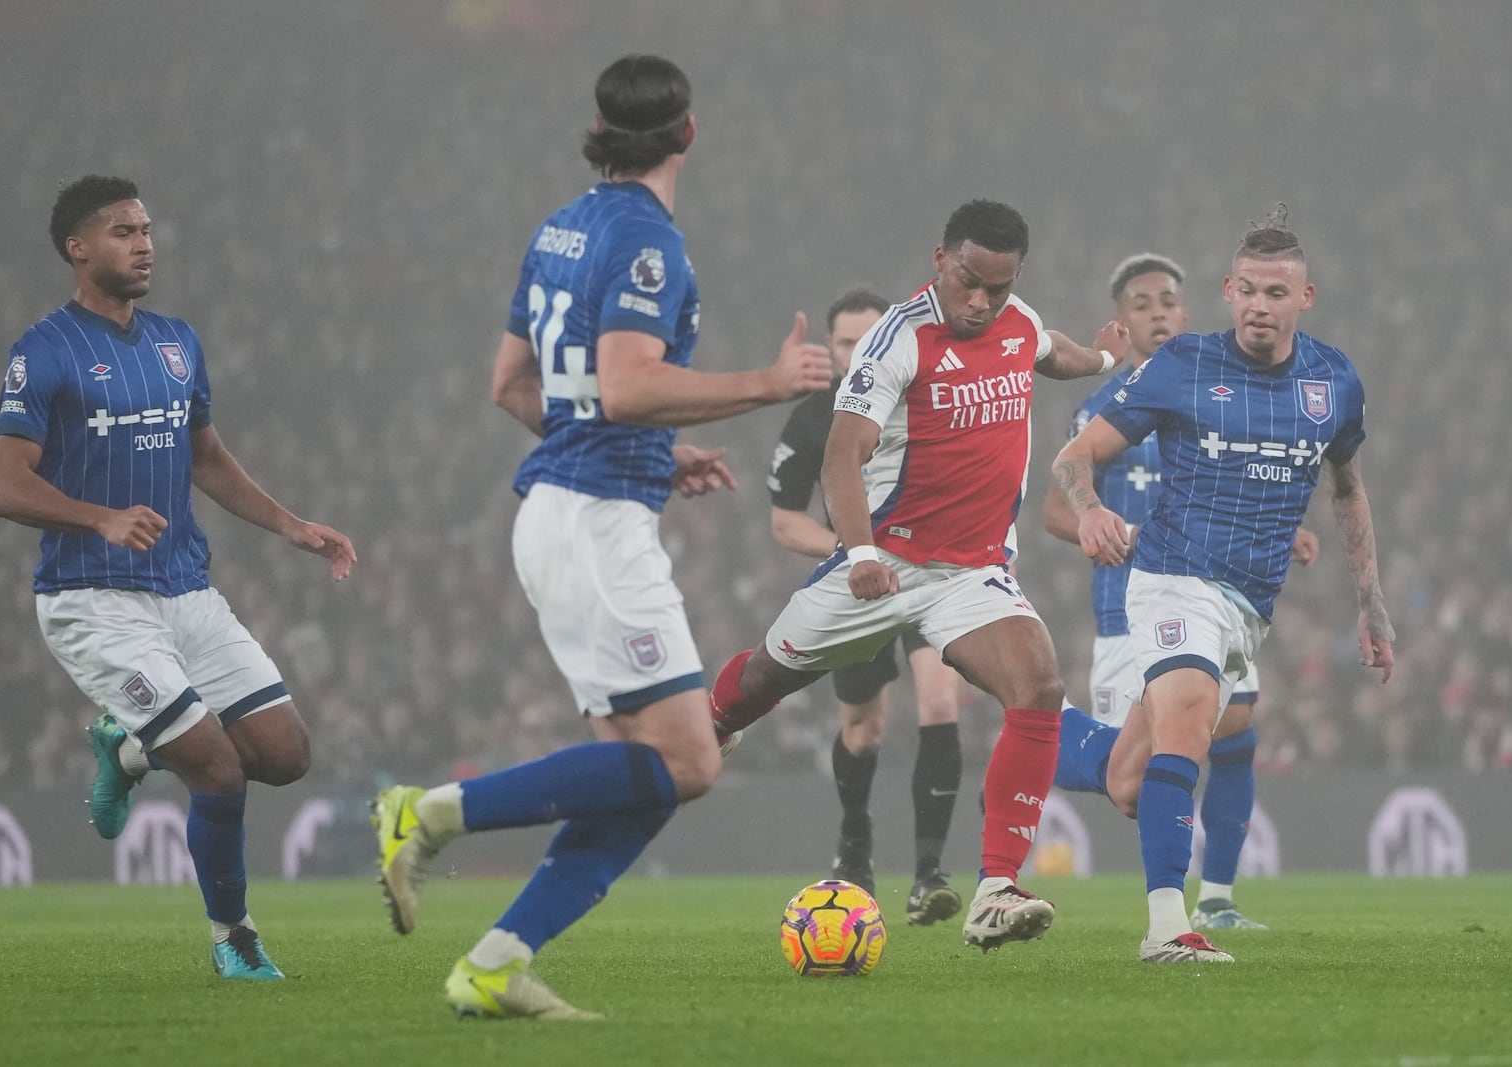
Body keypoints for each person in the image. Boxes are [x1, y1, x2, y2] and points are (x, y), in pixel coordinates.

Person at [370, 54, 831, 1021]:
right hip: (593, 525)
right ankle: (429, 811)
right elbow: (625, 386)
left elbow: (511, 383)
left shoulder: (562, 227)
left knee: (647, 781)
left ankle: (495, 964)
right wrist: (771, 381)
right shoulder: (645, 240)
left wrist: (656, 461)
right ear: (688, 132)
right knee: (694, 759)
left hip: (566, 512)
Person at [709, 198, 1129, 951]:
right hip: (886, 562)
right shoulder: (896, 339)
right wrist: (862, 553)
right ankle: (713, 720)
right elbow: (842, 454)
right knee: (764, 682)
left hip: (971, 572)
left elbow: (1050, 348)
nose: (981, 301)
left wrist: (1103, 359)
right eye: (969, 280)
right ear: (940, 259)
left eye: (997, 288)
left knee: (1038, 684)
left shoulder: (1017, 320)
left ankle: (996, 888)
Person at [0, 175, 357, 980]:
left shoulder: (176, 341)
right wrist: (99, 516)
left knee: (286, 753)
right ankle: (235, 936)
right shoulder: (44, 349)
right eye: (122, 231)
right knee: (217, 766)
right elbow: (4, 485)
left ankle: (124, 752)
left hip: (186, 590)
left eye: (147, 228)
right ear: (78, 249)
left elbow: (208, 460)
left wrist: (292, 524)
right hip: (92, 598)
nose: (144, 242)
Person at [1051, 209, 1395, 963]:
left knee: (1131, 781)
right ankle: (1168, 926)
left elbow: (1347, 491)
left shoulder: (1333, 381)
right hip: (1173, 578)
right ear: (1227, 290)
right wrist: (1090, 509)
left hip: (1249, 605)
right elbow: (1074, 458)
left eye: (1277, 292)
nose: (1259, 306)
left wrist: (1371, 604)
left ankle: (1043, 738)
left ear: (1305, 298)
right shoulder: (1183, 365)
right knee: (1191, 721)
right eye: (1247, 290)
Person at [1041, 253, 1319, 930]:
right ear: (1121, 322)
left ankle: (1216, 897)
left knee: (1233, 726)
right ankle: (1039, 744)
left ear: (1187, 312)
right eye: (1142, 303)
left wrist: (1285, 531)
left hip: (1218, 593)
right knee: (1130, 783)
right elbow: (1054, 508)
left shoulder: (1210, 390)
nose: (1158, 311)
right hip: (1135, 606)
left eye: (1168, 300)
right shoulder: (1103, 406)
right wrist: (1105, 525)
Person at [767, 285, 968, 924]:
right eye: (846, 342)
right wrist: (858, 554)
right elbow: (783, 522)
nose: (858, 352)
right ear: (830, 349)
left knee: (939, 702)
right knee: (864, 728)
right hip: (860, 581)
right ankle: (855, 847)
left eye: (868, 339)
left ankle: (929, 873)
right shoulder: (814, 416)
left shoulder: (931, 398)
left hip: (932, 576)